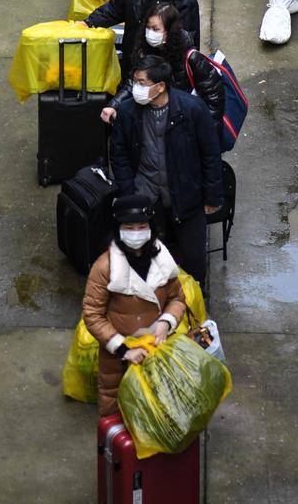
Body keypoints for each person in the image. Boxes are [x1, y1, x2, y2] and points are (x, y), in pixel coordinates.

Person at [110, 56, 223, 285]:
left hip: (186, 196)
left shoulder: (192, 110)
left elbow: (210, 154)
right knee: (147, 259)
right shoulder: (127, 112)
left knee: (193, 260)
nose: (136, 88)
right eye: (135, 82)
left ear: (160, 86)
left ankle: (195, 300)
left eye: (142, 83)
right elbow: (119, 155)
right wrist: (128, 194)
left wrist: (212, 196)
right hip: (146, 195)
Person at [82, 194, 186, 417]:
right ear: (118, 230)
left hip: (155, 348)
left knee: (154, 412)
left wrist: (166, 323)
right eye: (129, 227)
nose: (136, 233)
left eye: (142, 227)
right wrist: (124, 349)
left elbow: (177, 299)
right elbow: (92, 314)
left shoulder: (163, 260)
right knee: (117, 409)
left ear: (151, 228)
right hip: (117, 358)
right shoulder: (105, 267)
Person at [101, 1, 225, 134]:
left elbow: (214, 97)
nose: (150, 33)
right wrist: (114, 105)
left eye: (156, 29)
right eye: (148, 27)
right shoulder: (143, 52)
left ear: (169, 30)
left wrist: (207, 132)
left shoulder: (191, 58)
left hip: (183, 125)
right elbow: (134, 83)